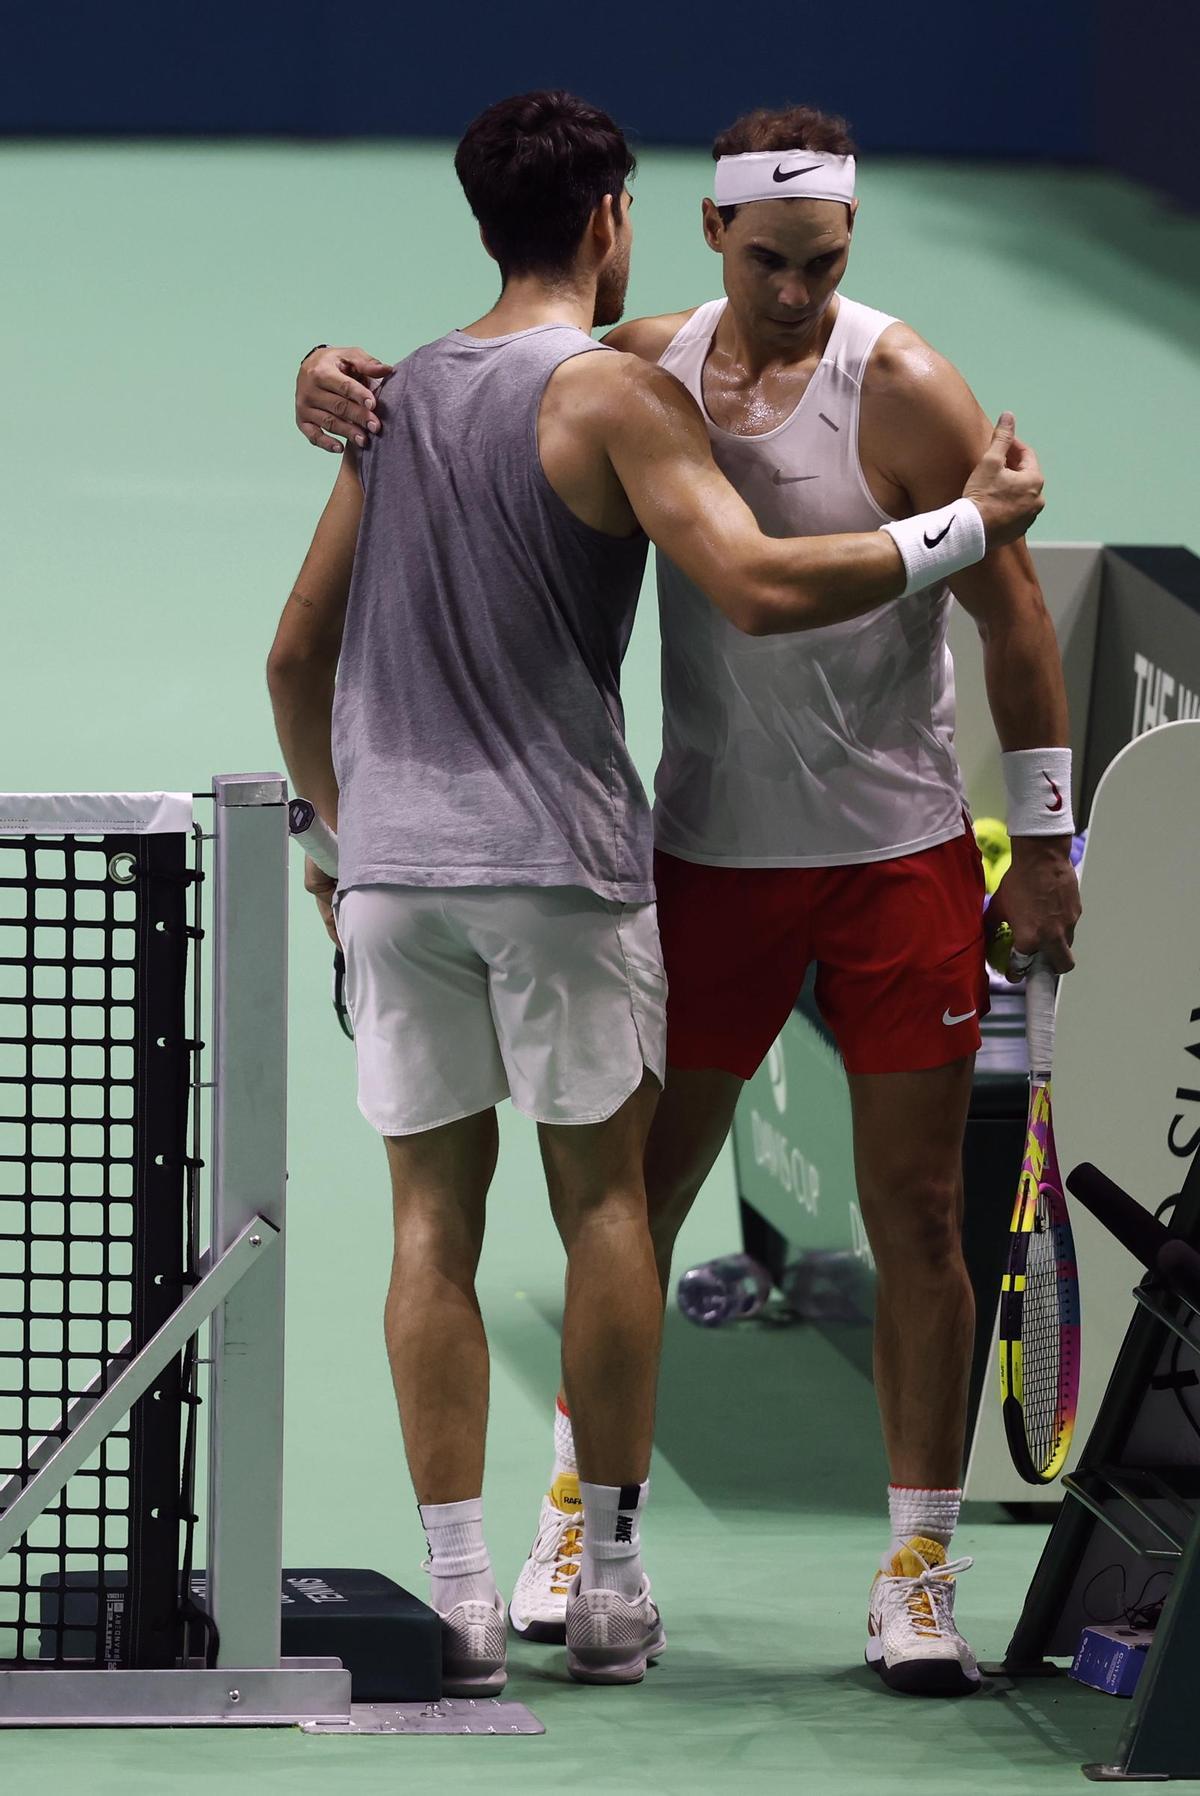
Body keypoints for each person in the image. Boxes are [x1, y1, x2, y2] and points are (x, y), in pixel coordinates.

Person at [284, 94, 1046, 1697]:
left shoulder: (899, 382)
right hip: (694, 857)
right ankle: (584, 1534)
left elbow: (1018, 616)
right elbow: (726, 562)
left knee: (916, 1213)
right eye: (769, 259)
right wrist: (331, 376)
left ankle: (913, 1572)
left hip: (892, 849)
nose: (796, 291)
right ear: (687, 228)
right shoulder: (633, 367)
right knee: (631, 1200)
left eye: (825, 261)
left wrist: (1040, 844)